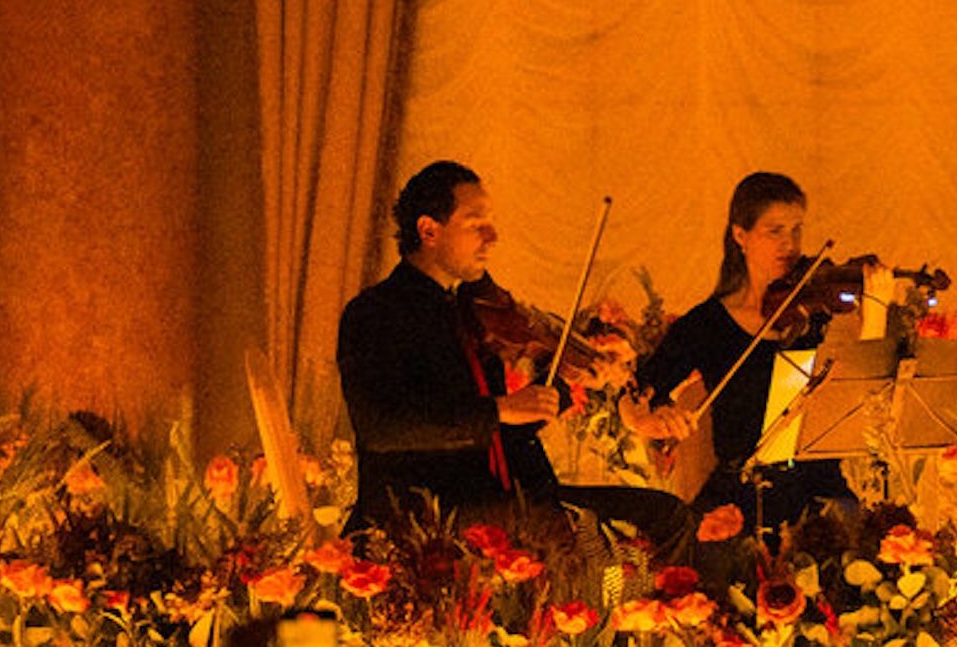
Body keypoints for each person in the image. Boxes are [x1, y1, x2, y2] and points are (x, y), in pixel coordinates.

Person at [338, 161, 685, 543]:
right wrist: (501, 409)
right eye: (475, 223)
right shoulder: (375, 313)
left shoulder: (471, 310)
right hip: (436, 513)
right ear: (428, 231)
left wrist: (563, 387)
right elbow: (381, 427)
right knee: (578, 537)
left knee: (664, 516)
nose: (492, 236)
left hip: (509, 498)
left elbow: (503, 439)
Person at [623, 172, 852, 530]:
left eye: (796, 230)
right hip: (744, 491)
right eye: (774, 231)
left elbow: (860, 390)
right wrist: (646, 418)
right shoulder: (708, 323)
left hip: (820, 488)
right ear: (740, 235)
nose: (790, 244)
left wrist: (878, 311)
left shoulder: (819, 315)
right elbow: (640, 389)